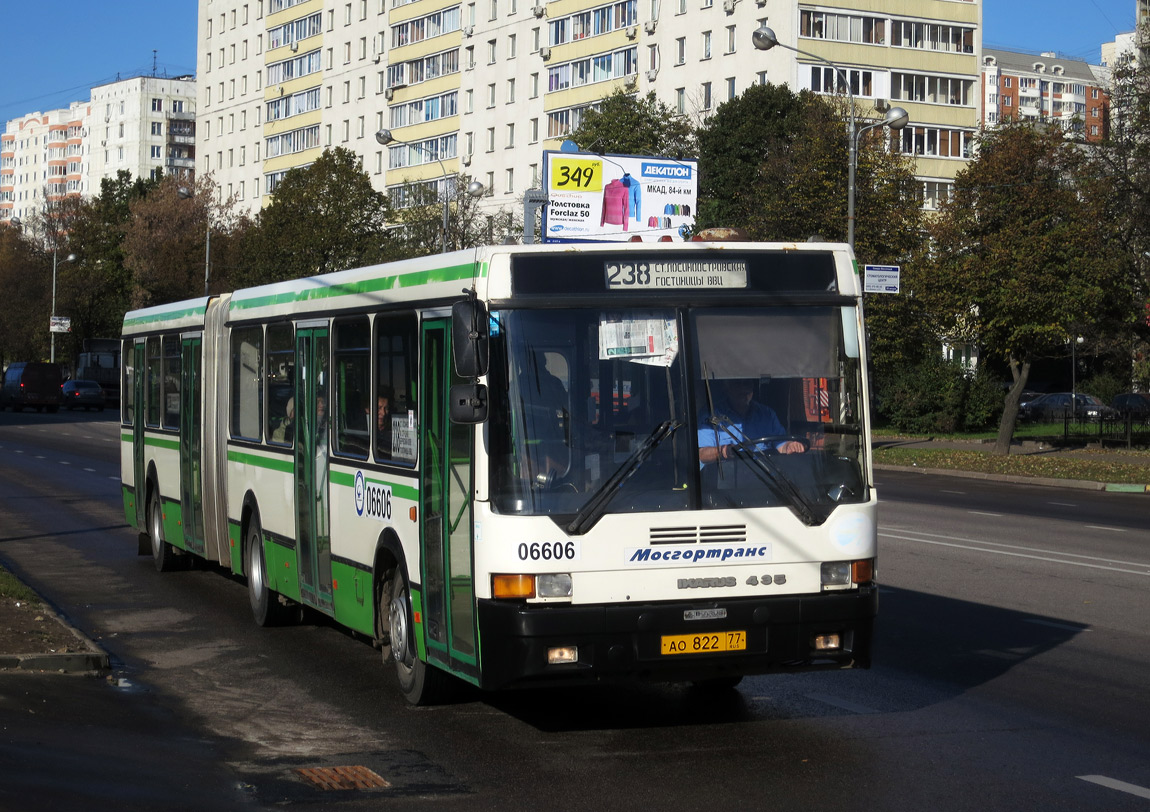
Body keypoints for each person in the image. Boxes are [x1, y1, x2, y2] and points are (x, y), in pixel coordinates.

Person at [698, 379, 805, 464]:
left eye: (747, 384)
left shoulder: (767, 414)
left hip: (768, 480)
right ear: (726, 387)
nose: (744, 390)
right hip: (726, 483)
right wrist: (723, 451)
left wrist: (790, 446)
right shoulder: (711, 416)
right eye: (738, 384)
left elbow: (781, 445)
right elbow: (702, 454)